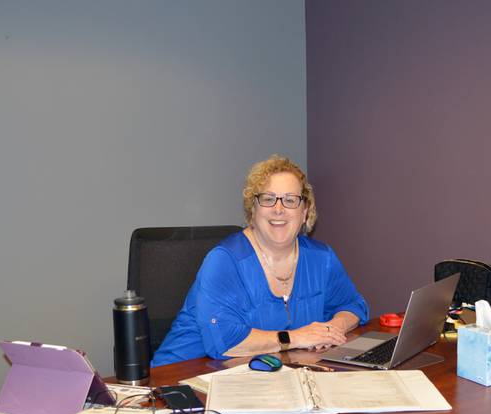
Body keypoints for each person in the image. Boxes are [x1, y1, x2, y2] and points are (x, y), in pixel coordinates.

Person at [152, 155, 368, 366]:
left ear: (305, 212)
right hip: (181, 381)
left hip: (262, 376)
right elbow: (225, 343)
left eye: (291, 200)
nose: (278, 209)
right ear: (253, 210)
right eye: (268, 199)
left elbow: (352, 305)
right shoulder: (224, 261)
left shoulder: (321, 258)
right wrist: (296, 337)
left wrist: (332, 329)